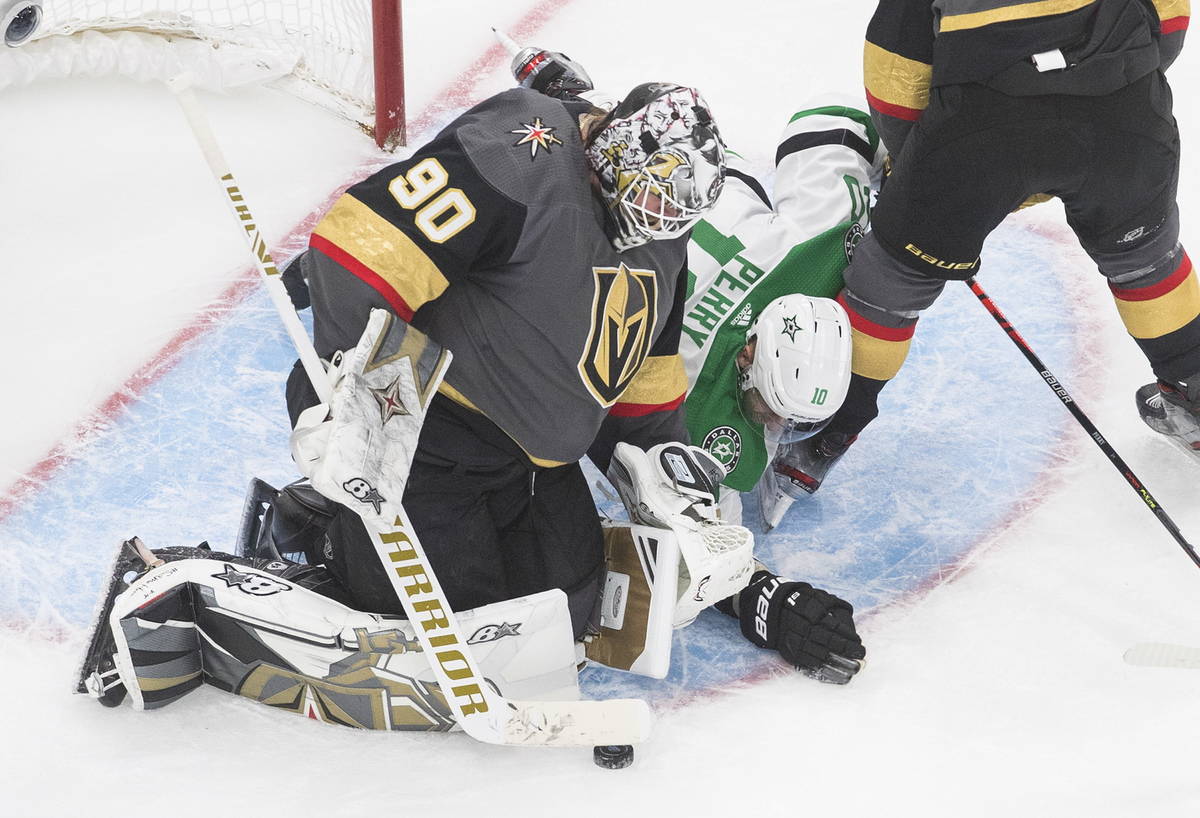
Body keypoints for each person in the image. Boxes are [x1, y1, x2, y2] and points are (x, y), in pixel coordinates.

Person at [76, 81, 867, 724]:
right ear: (615, 153)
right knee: (441, 620)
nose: (652, 228)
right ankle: (305, 537)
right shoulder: (526, 147)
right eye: (648, 201)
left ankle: (364, 542)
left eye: (672, 216)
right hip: (416, 419)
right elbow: (360, 251)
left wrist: (662, 465)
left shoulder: (660, 240)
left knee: (569, 609)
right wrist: (358, 392)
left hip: (524, 462)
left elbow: (642, 386)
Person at [776, 0, 1200, 495]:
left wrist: (917, 168)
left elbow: (896, 74)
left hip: (983, 131)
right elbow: (1168, 20)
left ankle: (821, 437)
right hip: (1126, 114)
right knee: (1147, 263)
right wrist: (1104, 93)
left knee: (890, 282)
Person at [680, 98, 885, 526]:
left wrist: (893, 158)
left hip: (704, 175)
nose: (779, 424)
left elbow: (830, 123)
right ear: (747, 355)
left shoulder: (827, 248)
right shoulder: (688, 388)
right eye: (776, 408)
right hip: (670, 189)